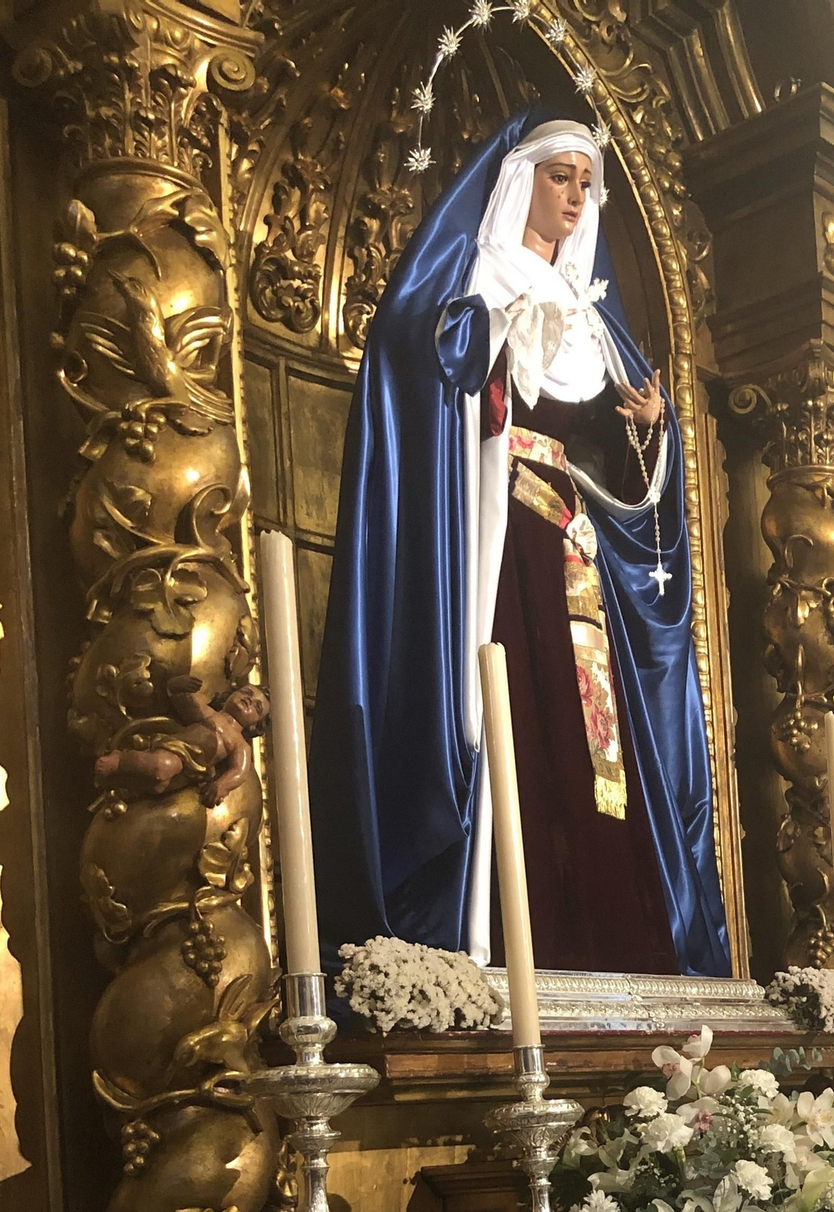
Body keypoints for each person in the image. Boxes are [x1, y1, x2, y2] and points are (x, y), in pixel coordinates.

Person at [311, 109, 731, 979]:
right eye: (560, 176)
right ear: (521, 180)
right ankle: (509, 938)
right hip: (498, 536)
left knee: (593, 744)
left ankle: (618, 948)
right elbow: (420, 362)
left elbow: (623, 459)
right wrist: (491, 335)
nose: (576, 196)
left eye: (587, 181)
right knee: (517, 719)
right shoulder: (479, 277)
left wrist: (654, 430)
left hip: (576, 547)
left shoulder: (591, 315)